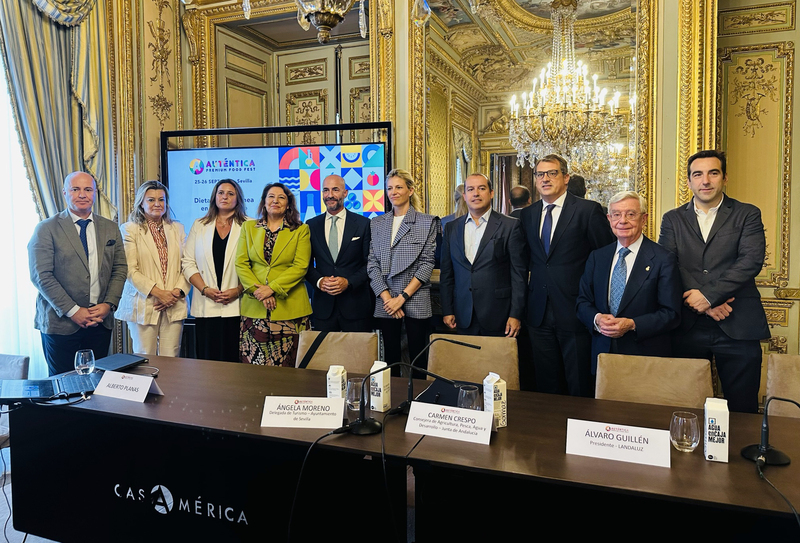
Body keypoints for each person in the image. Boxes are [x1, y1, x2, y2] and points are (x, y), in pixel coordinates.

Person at [659, 150, 770, 413]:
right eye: (698, 174)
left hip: (738, 322)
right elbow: (668, 263)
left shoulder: (747, 214)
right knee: (685, 405)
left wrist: (708, 297)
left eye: (713, 173)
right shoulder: (672, 219)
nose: (705, 180)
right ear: (689, 181)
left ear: (725, 178)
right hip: (688, 324)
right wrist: (703, 303)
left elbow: (750, 261)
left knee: (742, 409)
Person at [520, 154, 615, 397]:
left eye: (552, 173)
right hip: (538, 313)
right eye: (540, 174)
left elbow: (605, 259)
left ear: (565, 178)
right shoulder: (528, 215)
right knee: (545, 386)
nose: (545, 179)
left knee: (578, 384)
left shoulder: (587, 210)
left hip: (575, 311)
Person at [28, 171, 128, 376]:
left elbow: (119, 268)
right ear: (65, 192)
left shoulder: (110, 228)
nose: (82, 194)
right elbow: (41, 275)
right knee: (63, 386)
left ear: (95, 194)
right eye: (75, 189)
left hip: (100, 321)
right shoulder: (46, 229)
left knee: (96, 383)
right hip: (61, 324)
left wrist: (108, 304)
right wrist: (73, 311)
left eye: (88, 189)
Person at [576, 191, 682, 373]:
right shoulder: (597, 257)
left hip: (645, 357)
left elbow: (671, 313)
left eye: (631, 214)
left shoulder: (663, 259)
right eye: (616, 214)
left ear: (644, 219)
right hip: (603, 353)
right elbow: (582, 302)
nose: (622, 221)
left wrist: (632, 324)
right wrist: (597, 318)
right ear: (609, 219)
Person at [367, 169, 439, 369]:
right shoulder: (376, 223)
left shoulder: (427, 221)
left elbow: (427, 263)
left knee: (418, 362)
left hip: (415, 298)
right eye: (390, 188)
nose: (394, 192)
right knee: (389, 360)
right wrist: (388, 298)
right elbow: (372, 264)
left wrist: (402, 298)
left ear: (410, 190)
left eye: (399, 187)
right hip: (386, 300)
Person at [440, 173, 527, 337]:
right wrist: (447, 309)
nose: (476, 194)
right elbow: (447, 273)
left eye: (481, 188)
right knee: (466, 354)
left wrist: (516, 314)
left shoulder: (510, 226)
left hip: (499, 314)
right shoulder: (452, 228)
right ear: (464, 196)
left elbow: (518, 274)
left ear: (491, 193)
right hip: (463, 313)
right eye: (470, 189)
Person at [236, 182, 312, 366]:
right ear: (264, 202)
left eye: (281, 197)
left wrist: (271, 289)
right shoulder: (248, 227)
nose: (275, 201)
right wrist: (260, 292)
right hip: (255, 308)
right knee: (254, 368)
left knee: (289, 368)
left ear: (289, 204)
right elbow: (241, 263)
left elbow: (300, 266)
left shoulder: (301, 229)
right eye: (271, 196)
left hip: (290, 309)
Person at [115, 181, 190, 357]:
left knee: (171, 357)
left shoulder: (178, 228)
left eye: (161, 199)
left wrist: (176, 293)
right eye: (151, 200)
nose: (157, 204)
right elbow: (130, 270)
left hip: (174, 302)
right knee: (144, 357)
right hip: (144, 303)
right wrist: (159, 293)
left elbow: (187, 264)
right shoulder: (129, 229)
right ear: (141, 203)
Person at [182, 179, 249, 362]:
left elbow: (256, 265)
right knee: (207, 363)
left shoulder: (250, 225)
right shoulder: (199, 225)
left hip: (238, 305)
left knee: (235, 363)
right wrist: (204, 289)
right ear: (214, 197)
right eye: (221, 193)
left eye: (230, 193)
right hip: (206, 305)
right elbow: (188, 262)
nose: (225, 197)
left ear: (238, 198)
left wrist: (238, 290)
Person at [306, 174, 373, 332]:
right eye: (326, 190)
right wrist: (320, 281)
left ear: (345, 193)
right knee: (324, 349)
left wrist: (348, 282)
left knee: (357, 349)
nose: (330, 195)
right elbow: (305, 265)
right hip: (323, 307)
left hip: (356, 306)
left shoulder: (363, 224)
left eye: (335, 190)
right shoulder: (311, 225)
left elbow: (370, 264)